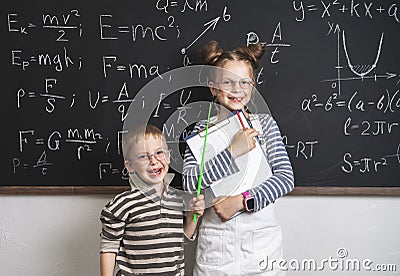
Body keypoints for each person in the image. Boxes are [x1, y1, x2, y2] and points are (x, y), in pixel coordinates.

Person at [182, 41, 294, 275]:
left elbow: (285, 178)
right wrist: (233, 151)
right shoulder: (199, 132)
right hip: (217, 246)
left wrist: (241, 201)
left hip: (261, 245)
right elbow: (191, 183)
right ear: (213, 88)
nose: (237, 89)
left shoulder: (265, 125)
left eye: (245, 82)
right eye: (228, 82)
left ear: (253, 86)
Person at [100, 124, 204, 276]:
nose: (153, 161)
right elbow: (108, 248)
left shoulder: (178, 200)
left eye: (159, 153)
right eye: (143, 156)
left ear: (168, 157)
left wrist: (193, 217)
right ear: (130, 166)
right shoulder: (122, 204)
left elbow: (181, 239)